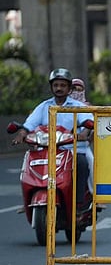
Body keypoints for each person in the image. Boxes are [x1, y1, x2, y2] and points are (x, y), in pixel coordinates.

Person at [12, 68, 93, 214]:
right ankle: (28, 199)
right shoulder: (44, 106)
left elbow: (88, 121)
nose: (59, 88)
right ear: (51, 87)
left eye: (63, 85)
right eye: (56, 85)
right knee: (29, 162)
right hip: (47, 150)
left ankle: (79, 203)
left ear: (69, 88)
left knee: (82, 164)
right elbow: (29, 123)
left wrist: (84, 133)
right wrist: (22, 134)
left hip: (73, 149)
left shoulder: (78, 106)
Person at [70, 78, 94, 194]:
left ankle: (95, 196)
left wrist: (84, 134)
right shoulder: (59, 105)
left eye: (80, 90)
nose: (77, 92)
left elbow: (91, 124)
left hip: (81, 147)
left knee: (91, 162)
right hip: (60, 146)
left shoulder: (88, 107)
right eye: (74, 89)